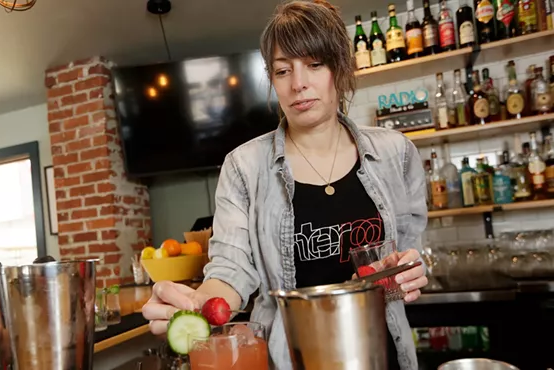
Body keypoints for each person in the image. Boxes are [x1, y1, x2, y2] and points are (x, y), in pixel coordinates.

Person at [142, 1, 428, 369]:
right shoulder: (244, 166)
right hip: (288, 359)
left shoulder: (396, 153)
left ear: (339, 68)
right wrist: (195, 305)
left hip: (381, 355)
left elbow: (408, 253)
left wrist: (405, 270)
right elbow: (231, 270)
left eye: (314, 64)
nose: (298, 84)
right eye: (282, 70)